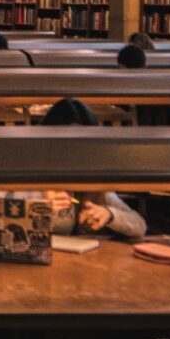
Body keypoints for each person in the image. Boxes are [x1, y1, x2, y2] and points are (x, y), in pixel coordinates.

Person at [37, 98, 146, 239]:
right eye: (65, 144)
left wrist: (109, 215)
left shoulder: (91, 187)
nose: (73, 153)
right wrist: (37, 209)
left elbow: (139, 226)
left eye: (82, 145)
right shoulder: (31, 180)